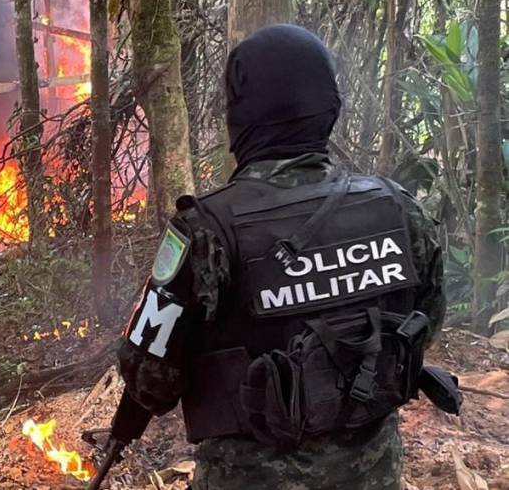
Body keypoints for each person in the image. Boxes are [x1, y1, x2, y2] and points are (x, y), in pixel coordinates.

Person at [111, 24, 448, 490]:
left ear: (241, 114)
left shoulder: (207, 230)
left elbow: (150, 380)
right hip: (375, 475)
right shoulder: (397, 207)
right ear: (328, 106)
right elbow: (425, 320)